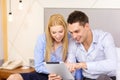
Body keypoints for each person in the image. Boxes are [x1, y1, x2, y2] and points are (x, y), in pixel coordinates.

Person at [7, 14, 82, 80]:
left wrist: (60, 74)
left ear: (65, 29)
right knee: (13, 77)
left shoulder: (71, 39)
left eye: (60, 31)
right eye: (54, 32)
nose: (58, 35)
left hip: (62, 75)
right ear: (49, 31)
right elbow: (38, 66)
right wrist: (54, 72)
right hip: (44, 73)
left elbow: (73, 64)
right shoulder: (42, 39)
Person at [66, 10, 117, 80]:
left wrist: (83, 65)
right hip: (87, 78)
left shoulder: (105, 37)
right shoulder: (72, 42)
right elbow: (71, 66)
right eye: (71, 33)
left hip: (106, 77)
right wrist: (64, 72)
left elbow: (112, 64)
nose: (74, 36)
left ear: (87, 26)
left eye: (77, 31)